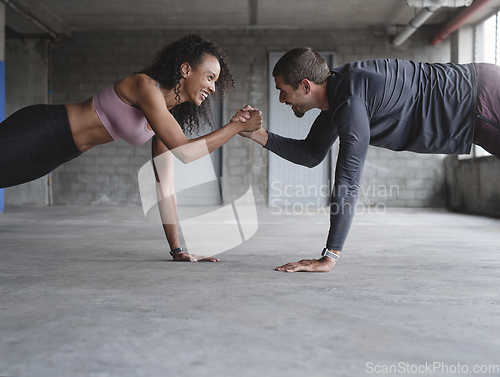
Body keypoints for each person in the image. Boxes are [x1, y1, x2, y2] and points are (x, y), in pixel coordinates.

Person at [0, 34, 262, 262]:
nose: (213, 88)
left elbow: (165, 187)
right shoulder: (144, 86)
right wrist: (236, 127)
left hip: (60, 153)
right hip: (43, 127)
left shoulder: (165, 118)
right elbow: (185, 151)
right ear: (185, 69)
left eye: (216, 81)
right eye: (209, 77)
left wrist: (177, 249)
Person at [235, 47, 499, 273]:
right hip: (477, 90)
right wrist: (257, 134)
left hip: (479, 102)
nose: (281, 99)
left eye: (283, 91)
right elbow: (311, 153)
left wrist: (330, 256)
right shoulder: (339, 93)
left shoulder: (350, 101)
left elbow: (348, 181)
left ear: (306, 86)